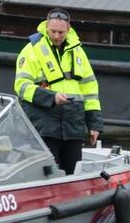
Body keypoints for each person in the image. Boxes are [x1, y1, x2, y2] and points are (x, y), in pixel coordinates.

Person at [14, 9, 103, 175]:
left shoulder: (78, 52)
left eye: (61, 32)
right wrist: (51, 97)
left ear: (69, 29)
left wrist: (94, 124)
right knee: (48, 174)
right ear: (46, 27)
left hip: (73, 123)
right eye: (53, 31)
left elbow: (90, 90)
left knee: (73, 172)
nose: (56, 36)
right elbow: (21, 86)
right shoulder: (31, 50)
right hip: (45, 122)